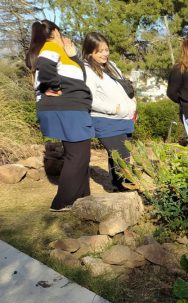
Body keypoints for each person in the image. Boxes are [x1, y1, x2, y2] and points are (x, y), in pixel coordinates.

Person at [26, 20, 93, 211]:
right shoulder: (51, 46)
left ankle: (81, 198)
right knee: (78, 154)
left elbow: (81, 79)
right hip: (67, 109)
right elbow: (46, 67)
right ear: (54, 32)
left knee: (80, 153)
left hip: (70, 108)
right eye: (61, 33)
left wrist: (75, 57)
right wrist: (54, 87)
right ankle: (62, 202)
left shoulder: (59, 52)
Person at [82, 32, 135, 192]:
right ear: (90, 52)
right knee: (122, 156)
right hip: (106, 120)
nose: (105, 54)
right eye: (100, 51)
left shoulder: (110, 66)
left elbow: (124, 88)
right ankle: (128, 188)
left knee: (117, 157)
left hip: (123, 120)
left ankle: (117, 187)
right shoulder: (88, 71)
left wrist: (131, 107)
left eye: (106, 50)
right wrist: (113, 109)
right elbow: (88, 98)